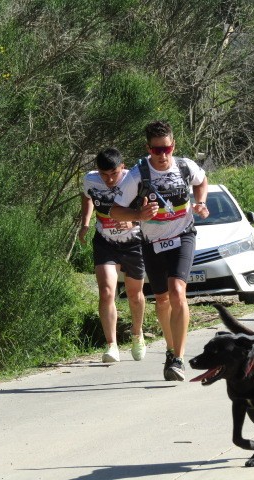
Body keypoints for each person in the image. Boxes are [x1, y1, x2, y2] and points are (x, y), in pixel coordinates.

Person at [110, 120, 208, 381]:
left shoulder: (185, 166)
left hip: (183, 235)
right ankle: (170, 348)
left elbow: (201, 180)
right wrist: (138, 213)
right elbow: (114, 210)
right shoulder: (138, 174)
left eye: (166, 149)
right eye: (156, 151)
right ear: (148, 148)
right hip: (152, 242)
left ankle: (178, 358)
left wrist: (201, 202)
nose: (162, 156)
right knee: (162, 299)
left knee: (178, 291)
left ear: (173, 146)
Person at [79, 148, 146, 363]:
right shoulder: (90, 179)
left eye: (113, 174)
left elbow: (148, 209)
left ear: (122, 167)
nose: (108, 179)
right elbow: (86, 196)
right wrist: (85, 223)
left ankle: (137, 334)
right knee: (107, 291)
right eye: (103, 174)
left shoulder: (134, 179)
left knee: (134, 295)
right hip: (105, 241)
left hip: (134, 241)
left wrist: (134, 220)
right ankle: (112, 345)